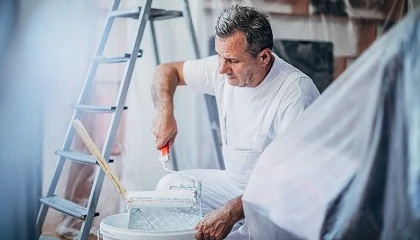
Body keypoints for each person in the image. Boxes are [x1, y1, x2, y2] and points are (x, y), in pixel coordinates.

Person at [151, 4, 320, 240]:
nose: (221, 69)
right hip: (235, 184)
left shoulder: (295, 93)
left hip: (279, 198)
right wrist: (164, 110)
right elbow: (166, 70)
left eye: (231, 60)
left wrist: (231, 211)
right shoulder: (221, 66)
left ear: (263, 57)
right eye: (219, 56)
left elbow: (292, 179)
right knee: (169, 187)